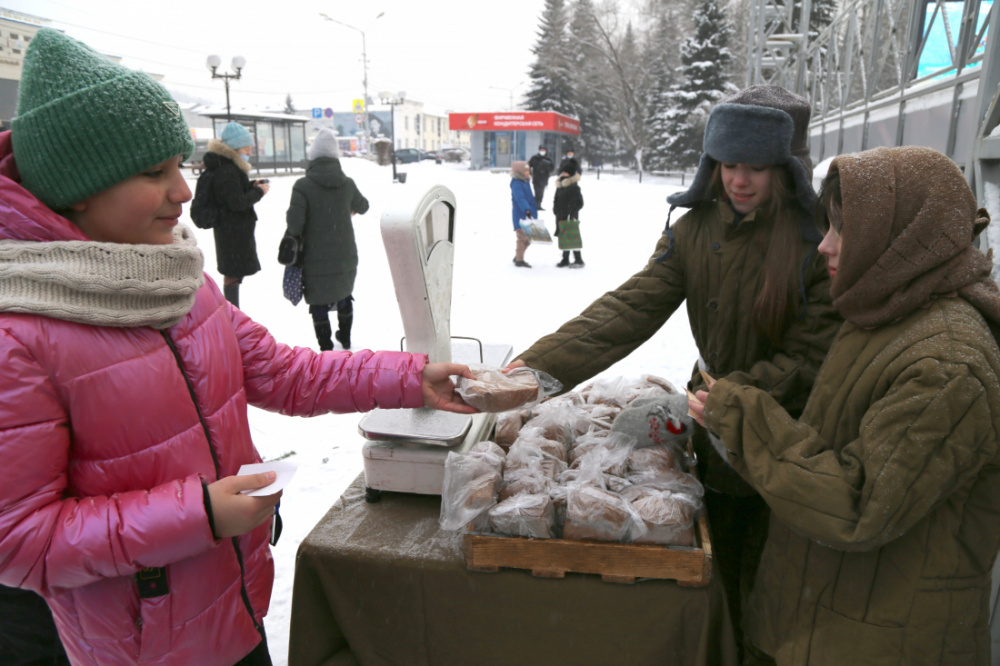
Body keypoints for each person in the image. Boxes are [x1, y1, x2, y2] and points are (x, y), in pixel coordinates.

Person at [0, 29, 475, 666]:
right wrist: (197, 515)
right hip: (143, 646)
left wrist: (412, 378)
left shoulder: (173, 278)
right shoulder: (19, 334)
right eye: (154, 173)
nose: (184, 192)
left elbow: (288, 374)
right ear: (79, 186)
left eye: (180, 166)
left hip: (235, 606)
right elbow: (21, 543)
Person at [508, 86, 841, 658]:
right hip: (715, 425)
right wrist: (535, 369)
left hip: (787, 439)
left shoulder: (817, 242)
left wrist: (730, 400)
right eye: (729, 163)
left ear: (785, 167)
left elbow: (811, 359)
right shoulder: (693, 230)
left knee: (774, 583)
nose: (739, 179)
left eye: (757, 166)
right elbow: (627, 308)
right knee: (725, 563)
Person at [692, 145, 1000, 665]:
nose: (825, 248)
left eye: (843, 230)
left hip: (878, 643)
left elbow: (858, 505)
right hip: (826, 624)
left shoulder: (949, 364)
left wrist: (745, 419)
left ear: (904, 240)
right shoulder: (886, 315)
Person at [286, 129, 369, 351]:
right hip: (345, 255)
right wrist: (346, 206)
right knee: (343, 295)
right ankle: (347, 338)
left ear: (313, 157)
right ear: (335, 158)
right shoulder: (347, 184)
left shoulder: (303, 186)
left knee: (319, 301)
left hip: (315, 256)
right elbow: (364, 206)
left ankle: (325, 345)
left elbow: (295, 225)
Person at [202, 121, 271, 308]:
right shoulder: (228, 170)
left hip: (231, 229)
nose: (249, 151)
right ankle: (232, 312)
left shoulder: (228, 166)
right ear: (234, 147)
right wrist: (259, 192)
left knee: (234, 272)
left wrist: (251, 186)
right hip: (231, 230)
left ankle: (232, 311)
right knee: (232, 273)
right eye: (246, 147)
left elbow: (232, 194)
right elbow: (237, 202)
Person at [552, 170, 584, 268]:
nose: (563, 174)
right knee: (563, 237)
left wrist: (572, 211)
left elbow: (580, 202)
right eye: (562, 172)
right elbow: (556, 199)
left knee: (572, 237)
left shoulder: (574, 187)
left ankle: (578, 259)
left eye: (566, 172)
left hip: (571, 216)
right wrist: (555, 209)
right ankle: (565, 259)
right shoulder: (560, 186)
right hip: (561, 215)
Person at [510, 160, 539, 268]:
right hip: (521, 214)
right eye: (525, 170)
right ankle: (519, 260)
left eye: (528, 170)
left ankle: (518, 255)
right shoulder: (516, 183)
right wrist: (526, 209)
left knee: (529, 238)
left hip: (529, 213)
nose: (528, 172)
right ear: (520, 171)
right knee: (522, 238)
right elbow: (520, 198)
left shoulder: (525, 181)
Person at [527, 145, 554, 210]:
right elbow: (528, 165)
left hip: (544, 178)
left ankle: (538, 204)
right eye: (541, 150)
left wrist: (547, 168)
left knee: (541, 192)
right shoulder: (534, 158)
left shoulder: (548, 159)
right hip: (536, 177)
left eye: (543, 150)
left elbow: (552, 168)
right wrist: (530, 173)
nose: (542, 151)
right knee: (537, 191)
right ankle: (536, 204)